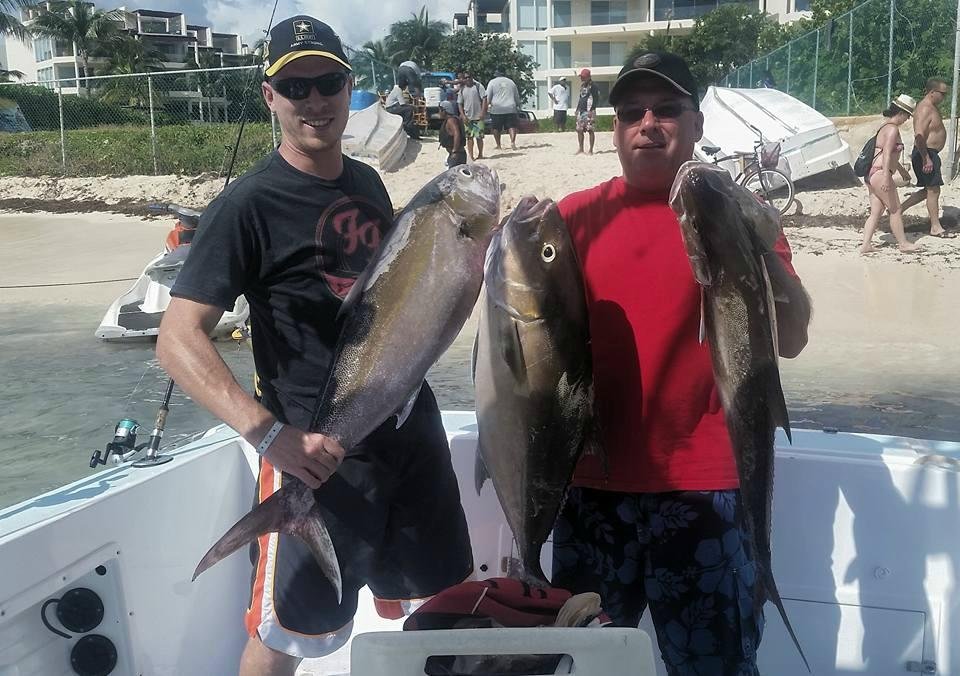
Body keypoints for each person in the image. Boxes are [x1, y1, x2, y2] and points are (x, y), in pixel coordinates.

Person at [155, 15, 473, 676]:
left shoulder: (366, 183)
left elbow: (401, 306)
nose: (315, 100)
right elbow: (177, 340)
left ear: (349, 86)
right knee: (287, 636)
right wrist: (270, 436)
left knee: (431, 602)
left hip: (407, 435)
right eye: (295, 86)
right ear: (269, 96)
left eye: (327, 81)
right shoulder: (247, 205)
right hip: (314, 459)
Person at [551, 51, 812, 675]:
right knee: (581, 667)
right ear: (613, 130)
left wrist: (766, 246)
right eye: (632, 112)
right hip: (592, 489)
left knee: (715, 667)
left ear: (696, 125)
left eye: (667, 110)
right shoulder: (571, 218)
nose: (649, 123)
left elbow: (794, 336)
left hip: (710, 489)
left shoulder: (733, 211)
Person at [861, 95, 922, 254]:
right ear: (901, 113)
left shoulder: (884, 127)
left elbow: (885, 153)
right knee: (895, 209)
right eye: (907, 115)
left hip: (871, 174)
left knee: (876, 212)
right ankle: (903, 243)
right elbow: (887, 153)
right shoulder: (893, 129)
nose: (907, 119)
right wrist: (888, 178)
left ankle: (866, 245)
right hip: (882, 173)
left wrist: (901, 170)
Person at [900, 78, 952, 237]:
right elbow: (919, 135)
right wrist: (926, 158)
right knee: (933, 190)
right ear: (932, 92)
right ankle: (935, 226)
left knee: (929, 190)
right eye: (942, 94)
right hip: (926, 153)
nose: (944, 97)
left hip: (929, 153)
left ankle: (897, 210)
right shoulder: (924, 109)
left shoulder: (931, 107)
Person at [485, 68, 521, 151]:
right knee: (512, 126)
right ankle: (512, 142)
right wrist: (518, 104)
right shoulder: (511, 82)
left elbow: (488, 96)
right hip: (510, 107)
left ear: (496, 74)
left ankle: (498, 145)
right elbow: (516, 96)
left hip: (497, 108)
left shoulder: (492, 82)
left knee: (496, 128)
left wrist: (487, 105)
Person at [458, 71, 487, 161]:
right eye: (465, 77)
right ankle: (471, 155)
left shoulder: (478, 86)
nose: (467, 79)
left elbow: (484, 99)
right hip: (468, 117)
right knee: (469, 137)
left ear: (472, 77)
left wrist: (483, 112)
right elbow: (459, 103)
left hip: (478, 116)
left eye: (469, 77)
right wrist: (463, 115)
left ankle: (480, 154)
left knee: (479, 137)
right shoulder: (462, 89)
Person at [385, 70, 421, 139]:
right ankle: (406, 124)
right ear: (404, 86)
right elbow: (403, 104)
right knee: (409, 109)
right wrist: (413, 107)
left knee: (408, 109)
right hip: (391, 108)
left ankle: (408, 125)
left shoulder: (396, 89)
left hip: (393, 107)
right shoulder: (398, 90)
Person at [574, 68, 599, 155]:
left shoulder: (593, 86)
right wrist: (577, 109)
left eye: (583, 77)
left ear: (588, 77)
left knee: (590, 130)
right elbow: (581, 98)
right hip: (581, 111)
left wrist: (592, 110)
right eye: (581, 76)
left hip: (589, 111)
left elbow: (596, 99)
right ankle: (581, 149)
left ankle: (591, 150)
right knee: (579, 130)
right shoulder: (582, 86)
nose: (581, 78)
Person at [438, 99, 467, 168]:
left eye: (440, 110)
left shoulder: (451, 121)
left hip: (457, 155)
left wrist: (455, 151)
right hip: (456, 154)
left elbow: (457, 134)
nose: (439, 112)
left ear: (444, 111)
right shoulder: (451, 119)